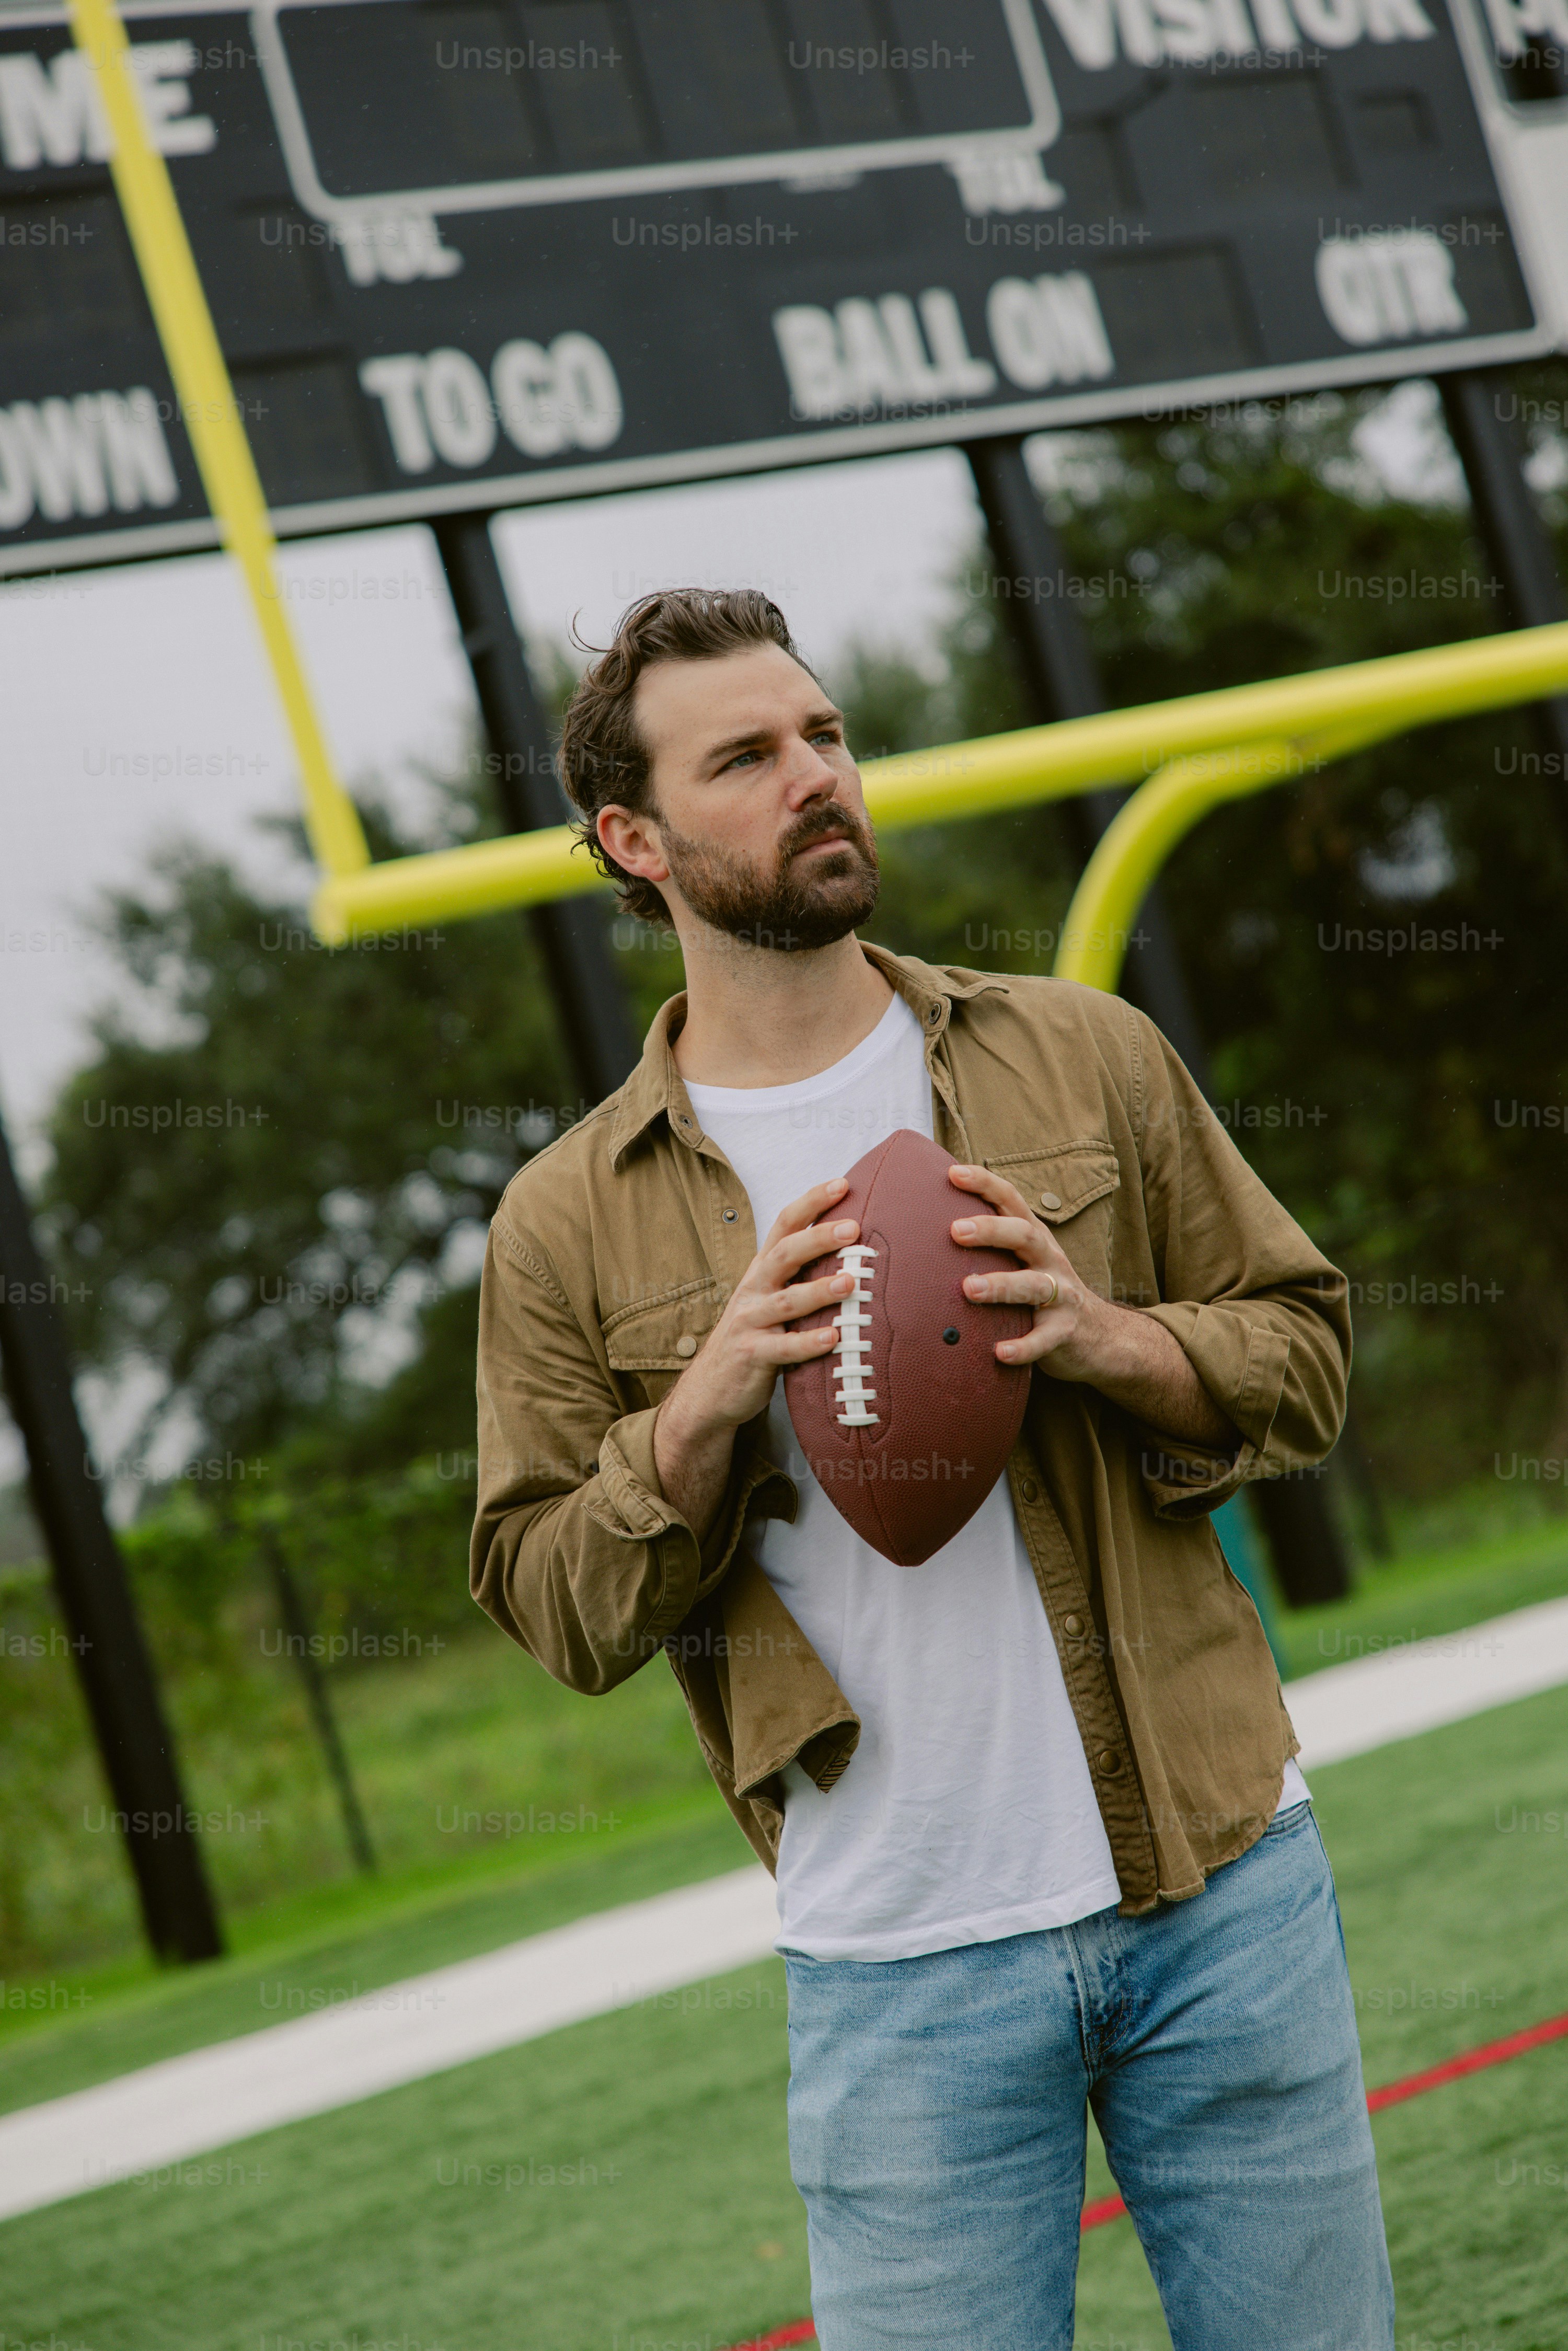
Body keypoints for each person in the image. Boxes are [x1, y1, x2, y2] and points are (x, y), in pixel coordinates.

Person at [470, 587, 1393, 2350]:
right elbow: (552, 1602)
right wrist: (703, 1406)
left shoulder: (1082, 1051)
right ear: (634, 839)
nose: (816, 775)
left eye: (824, 733)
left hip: (1222, 1890)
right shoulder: (565, 1219)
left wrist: (1106, 1335)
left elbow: (1308, 1359)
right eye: (746, 757)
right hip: (899, 1964)